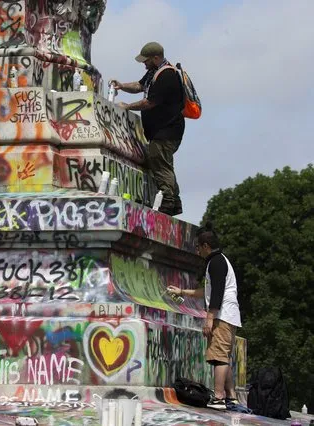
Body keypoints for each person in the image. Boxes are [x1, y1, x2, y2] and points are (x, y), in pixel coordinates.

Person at [168, 223, 242, 410]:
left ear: (206, 246)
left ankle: (218, 397)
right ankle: (231, 397)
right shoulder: (219, 261)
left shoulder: (216, 262)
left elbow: (216, 293)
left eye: (198, 247)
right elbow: (207, 291)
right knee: (223, 356)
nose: (197, 250)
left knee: (219, 358)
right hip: (227, 315)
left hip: (222, 316)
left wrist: (209, 319)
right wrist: (183, 291)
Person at [110, 41, 185, 216]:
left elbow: (149, 102)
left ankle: (167, 203)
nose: (144, 64)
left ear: (156, 58)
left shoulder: (167, 76)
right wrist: (122, 85)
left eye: (146, 60)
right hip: (162, 131)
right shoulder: (155, 72)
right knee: (164, 165)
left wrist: (127, 107)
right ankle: (175, 202)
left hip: (166, 131)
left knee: (160, 165)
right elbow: (139, 86)